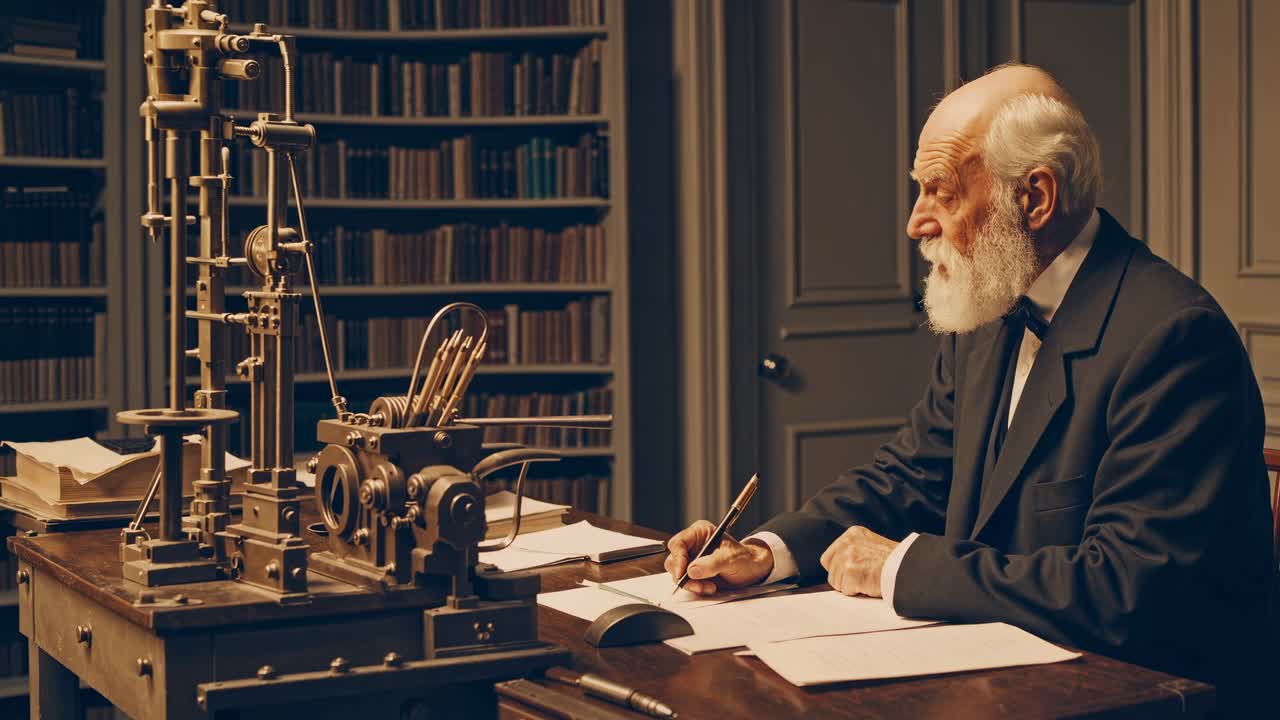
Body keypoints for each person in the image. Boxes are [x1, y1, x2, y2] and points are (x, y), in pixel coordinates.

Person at [665, 64, 1272, 708]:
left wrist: (897, 568)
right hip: (1012, 682)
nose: (915, 223)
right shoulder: (991, 305)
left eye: (941, 192)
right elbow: (909, 478)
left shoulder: (1175, 339)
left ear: (1035, 198)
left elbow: (1126, 588)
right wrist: (767, 552)